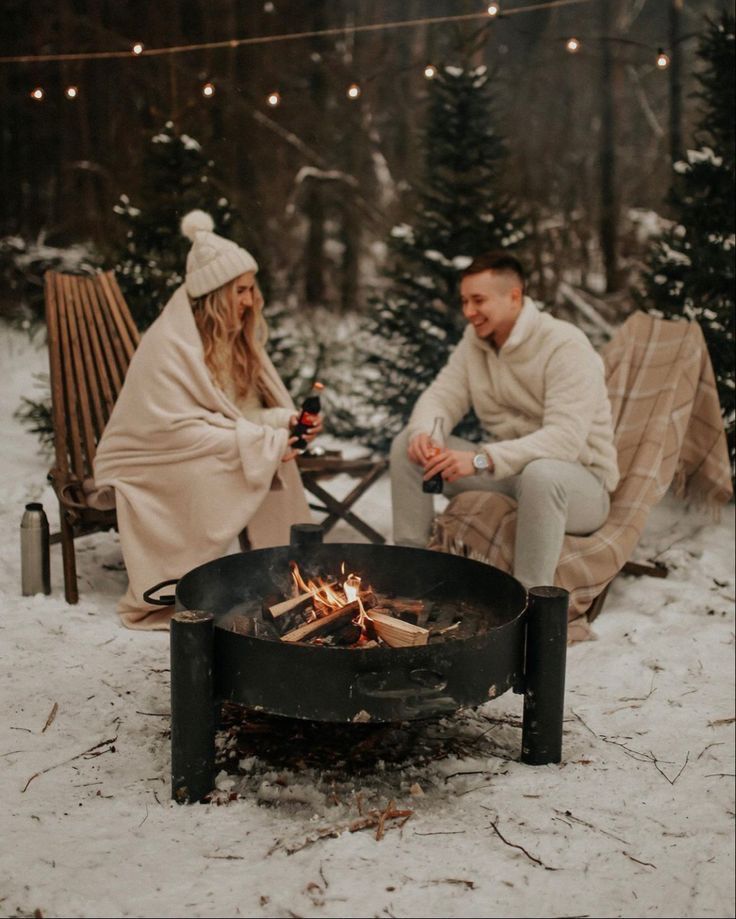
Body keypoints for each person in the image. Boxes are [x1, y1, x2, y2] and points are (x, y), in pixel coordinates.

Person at [92, 210, 317, 628]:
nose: (251, 301)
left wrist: (285, 423)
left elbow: (239, 417)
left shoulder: (234, 343)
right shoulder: (170, 345)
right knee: (240, 457)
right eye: (242, 291)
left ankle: (281, 579)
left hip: (191, 445)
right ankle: (183, 588)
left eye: (252, 290)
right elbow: (173, 429)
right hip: (149, 456)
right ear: (215, 295)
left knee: (265, 460)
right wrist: (263, 442)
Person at [390, 251, 620, 590]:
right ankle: (412, 581)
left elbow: (564, 439)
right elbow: (442, 395)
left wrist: (482, 459)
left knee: (541, 473)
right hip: (509, 475)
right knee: (406, 447)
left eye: (478, 300)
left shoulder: (565, 345)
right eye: (465, 301)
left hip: (577, 485)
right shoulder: (475, 343)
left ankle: (529, 602)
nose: (468, 312)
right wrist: (426, 433)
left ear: (514, 296)